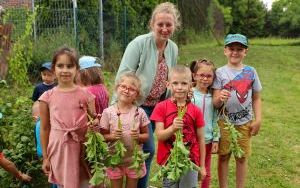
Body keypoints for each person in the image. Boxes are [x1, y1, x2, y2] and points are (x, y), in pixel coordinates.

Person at [113, 2, 181, 187]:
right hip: (136, 106)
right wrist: (116, 109)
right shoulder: (139, 44)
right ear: (152, 24)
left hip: (159, 107)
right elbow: (123, 76)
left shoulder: (173, 48)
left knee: (147, 150)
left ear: (175, 25)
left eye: (169, 25)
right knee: (143, 149)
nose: (165, 29)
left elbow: (171, 78)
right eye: (160, 24)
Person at [39, 47, 99, 188]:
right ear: (54, 69)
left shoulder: (86, 95)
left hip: (83, 148)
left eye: (70, 66)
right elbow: (44, 128)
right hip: (60, 149)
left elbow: (94, 118)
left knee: (86, 183)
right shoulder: (46, 98)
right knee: (65, 183)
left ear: (77, 69)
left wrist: (95, 124)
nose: (65, 70)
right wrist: (45, 157)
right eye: (60, 66)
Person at [212, 34, 262, 188]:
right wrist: (220, 97)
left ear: (245, 51)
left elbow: (256, 98)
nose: (235, 52)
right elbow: (214, 103)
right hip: (224, 124)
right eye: (231, 49)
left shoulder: (251, 71)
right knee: (224, 156)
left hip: (244, 123)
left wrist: (258, 119)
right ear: (225, 50)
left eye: (239, 49)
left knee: (241, 157)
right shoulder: (219, 73)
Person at [150, 65, 207, 188]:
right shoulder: (161, 107)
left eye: (184, 83)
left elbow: (201, 139)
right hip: (168, 161)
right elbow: (159, 136)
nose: (179, 87)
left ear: (191, 85)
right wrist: (172, 129)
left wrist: (202, 166)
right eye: (175, 83)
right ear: (168, 85)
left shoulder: (196, 110)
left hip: (190, 161)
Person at [100, 72, 150, 188]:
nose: (127, 91)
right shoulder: (108, 112)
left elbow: (146, 136)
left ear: (137, 95)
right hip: (114, 159)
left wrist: (138, 136)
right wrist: (112, 137)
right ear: (117, 88)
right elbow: (103, 137)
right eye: (123, 86)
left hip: (133, 159)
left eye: (132, 89)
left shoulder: (139, 112)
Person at [190, 59, 220, 188]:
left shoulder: (213, 98)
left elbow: (215, 119)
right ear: (194, 75)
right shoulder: (188, 94)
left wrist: (216, 139)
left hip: (207, 140)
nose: (205, 79)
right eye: (202, 75)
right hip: (190, 140)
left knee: (205, 171)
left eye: (209, 76)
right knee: (190, 169)